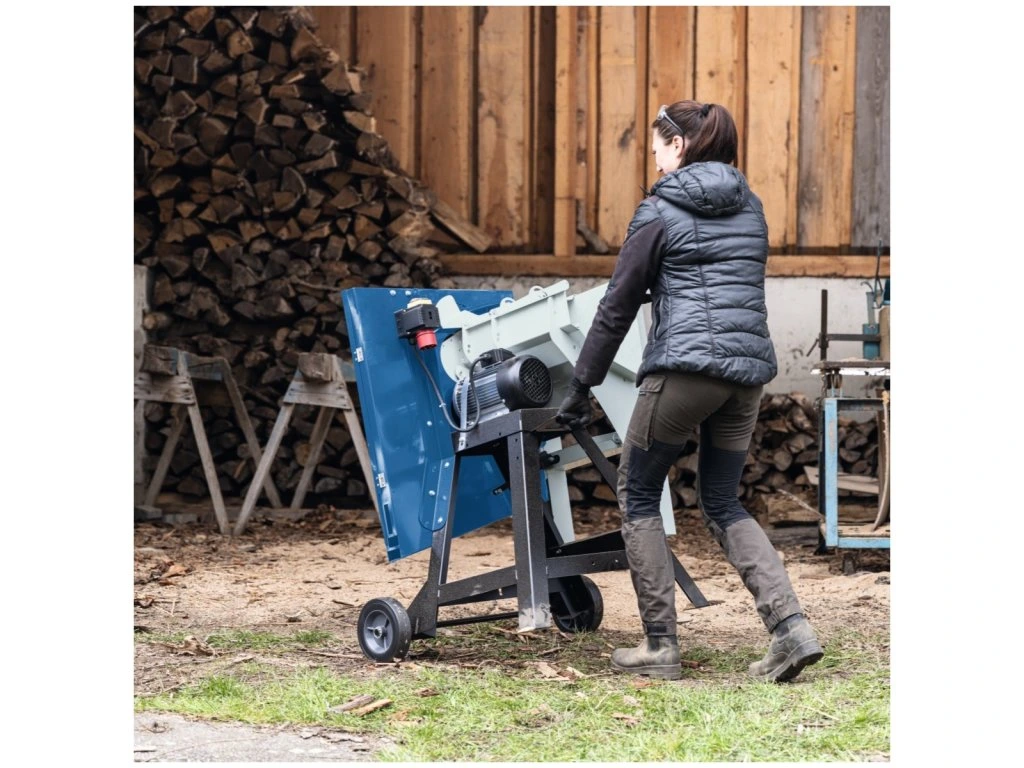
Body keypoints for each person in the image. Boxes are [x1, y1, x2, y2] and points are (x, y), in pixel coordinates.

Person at [555, 100, 823, 683]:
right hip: (746, 377)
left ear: (678, 146)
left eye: (657, 146)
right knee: (723, 501)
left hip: (684, 374)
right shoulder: (751, 206)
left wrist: (581, 384)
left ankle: (660, 645)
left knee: (638, 492)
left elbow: (618, 304)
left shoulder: (658, 210)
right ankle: (791, 628)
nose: (653, 158)